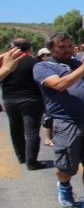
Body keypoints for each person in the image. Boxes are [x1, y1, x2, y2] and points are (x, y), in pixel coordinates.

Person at [33, 31, 84, 208]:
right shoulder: (43, 67)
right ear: (51, 49)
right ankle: (64, 185)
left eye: (69, 46)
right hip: (66, 122)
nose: (68, 50)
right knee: (66, 166)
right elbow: (60, 85)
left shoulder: (78, 63)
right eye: (62, 47)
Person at [0, 39, 47, 170]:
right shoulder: (35, 62)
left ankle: (21, 157)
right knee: (31, 130)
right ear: (29, 48)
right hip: (31, 100)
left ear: (11, 47)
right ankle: (32, 162)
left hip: (9, 100)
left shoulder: (4, 63)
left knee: (15, 129)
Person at [36, 48, 54, 146]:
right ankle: (48, 139)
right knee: (48, 117)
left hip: (53, 95)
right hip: (44, 96)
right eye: (47, 55)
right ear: (42, 57)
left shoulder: (53, 65)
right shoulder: (38, 67)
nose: (49, 56)